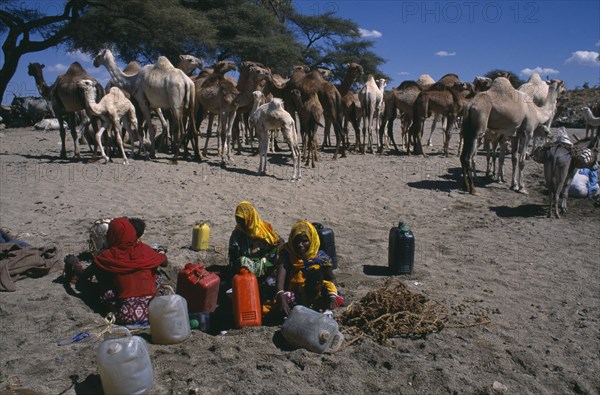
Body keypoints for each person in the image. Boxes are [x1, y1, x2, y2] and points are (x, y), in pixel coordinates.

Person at [63, 217, 168, 325]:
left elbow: (83, 274)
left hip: (125, 315)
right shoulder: (145, 250)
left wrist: (74, 262)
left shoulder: (107, 257)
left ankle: (111, 306)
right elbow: (164, 262)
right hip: (155, 312)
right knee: (156, 274)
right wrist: (160, 251)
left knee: (102, 275)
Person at [272, 220, 342, 318]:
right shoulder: (287, 255)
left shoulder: (321, 258)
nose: (300, 245)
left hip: (315, 294)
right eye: (296, 241)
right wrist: (282, 299)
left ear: (312, 240)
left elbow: (331, 279)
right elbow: (280, 283)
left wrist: (330, 294)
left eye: (304, 241)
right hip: (295, 295)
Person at [228, 202, 283, 299]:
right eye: (238, 219)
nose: (240, 222)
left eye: (242, 219)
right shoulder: (237, 235)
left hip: (265, 264)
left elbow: (279, 243)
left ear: (250, 218)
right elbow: (233, 257)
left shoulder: (264, 230)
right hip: (245, 268)